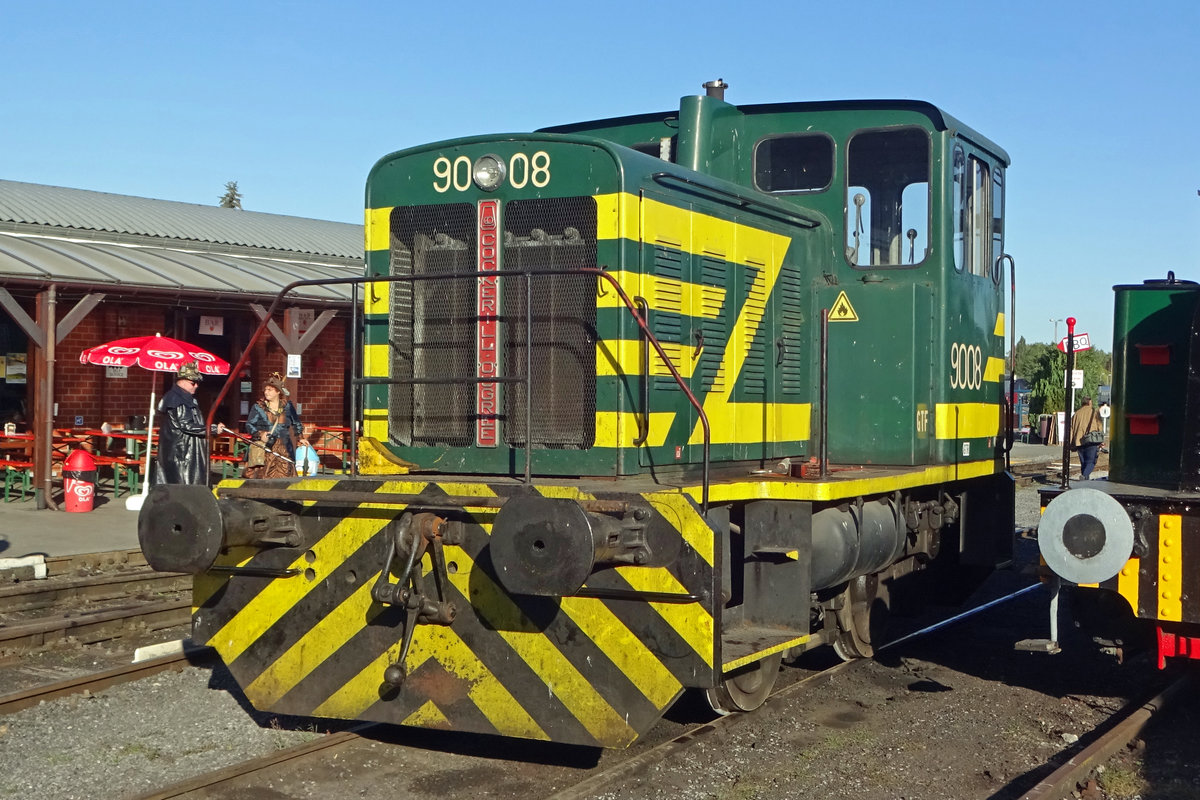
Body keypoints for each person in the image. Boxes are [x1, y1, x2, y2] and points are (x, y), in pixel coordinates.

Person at [155, 361, 209, 485]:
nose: (196, 386)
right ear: (182, 381)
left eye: (197, 383)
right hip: (183, 453)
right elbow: (187, 426)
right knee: (184, 488)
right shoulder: (178, 399)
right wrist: (212, 429)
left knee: (176, 487)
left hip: (179, 451)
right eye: (193, 383)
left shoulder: (178, 397)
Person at [245, 372, 306, 479]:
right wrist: (260, 434)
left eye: (270, 390)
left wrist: (301, 438)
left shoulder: (287, 406)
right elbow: (250, 425)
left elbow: (296, 422)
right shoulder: (258, 407)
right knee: (263, 477)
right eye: (265, 389)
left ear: (278, 391)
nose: (266, 392)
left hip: (284, 447)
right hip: (265, 448)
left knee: (285, 476)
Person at [1070, 395, 1104, 480]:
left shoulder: (1076, 414)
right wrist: (1101, 440)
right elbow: (1099, 426)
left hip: (1079, 441)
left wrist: (1071, 444)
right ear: (1089, 402)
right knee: (1091, 462)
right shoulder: (1094, 412)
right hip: (1092, 440)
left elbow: (1071, 429)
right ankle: (1084, 476)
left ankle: (1085, 481)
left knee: (1083, 462)